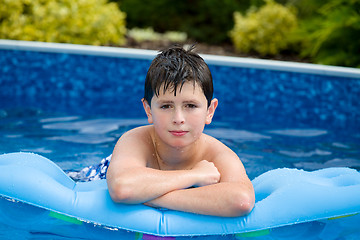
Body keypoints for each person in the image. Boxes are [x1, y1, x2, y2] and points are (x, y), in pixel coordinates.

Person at [104, 45, 255, 217]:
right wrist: (195, 175)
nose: (178, 118)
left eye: (190, 106)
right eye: (166, 106)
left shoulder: (218, 156)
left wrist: (152, 197)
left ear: (210, 111)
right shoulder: (135, 140)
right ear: (148, 110)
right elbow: (122, 187)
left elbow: (241, 201)